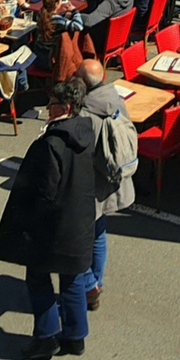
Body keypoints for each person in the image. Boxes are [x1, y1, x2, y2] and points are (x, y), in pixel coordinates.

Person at [0, 77, 96, 360]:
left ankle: (46, 337)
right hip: (79, 221)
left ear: (67, 107)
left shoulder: (50, 143)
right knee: (72, 280)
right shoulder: (85, 132)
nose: (48, 109)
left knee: (37, 278)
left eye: (53, 105)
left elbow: (44, 191)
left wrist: (27, 223)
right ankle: (75, 336)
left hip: (54, 227)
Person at [75, 59, 136, 312]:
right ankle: (96, 281)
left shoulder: (85, 113)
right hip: (113, 182)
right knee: (99, 233)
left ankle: (89, 286)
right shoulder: (115, 100)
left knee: (78, 238)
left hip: (91, 185)